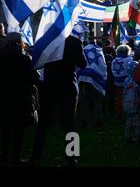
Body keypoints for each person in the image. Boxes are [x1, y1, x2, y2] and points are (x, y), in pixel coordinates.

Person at [31, 35, 87, 167]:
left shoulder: (46, 39)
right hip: (68, 85)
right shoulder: (74, 41)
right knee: (70, 122)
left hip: (50, 85)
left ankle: (35, 156)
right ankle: (71, 157)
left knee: (43, 123)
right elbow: (82, 63)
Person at [0, 33, 39, 166]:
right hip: (21, 98)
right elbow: (33, 78)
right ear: (20, 42)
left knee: (6, 128)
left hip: (4, 97)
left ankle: (4, 155)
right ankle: (15, 157)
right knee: (18, 130)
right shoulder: (25, 58)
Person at [78, 41, 107, 129]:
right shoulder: (99, 51)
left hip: (85, 77)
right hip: (97, 75)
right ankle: (97, 120)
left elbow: (80, 64)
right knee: (97, 99)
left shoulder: (84, 50)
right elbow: (103, 65)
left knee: (85, 99)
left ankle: (84, 121)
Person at [122, 60, 140, 144]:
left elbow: (124, 92)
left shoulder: (126, 80)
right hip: (136, 103)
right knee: (137, 121)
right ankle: (137, 137)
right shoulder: (138, 82)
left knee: (128, 120)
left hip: (127, 103)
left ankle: (127, 136)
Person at [111, 45, 134, 118]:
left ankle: (119, 112)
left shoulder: (114, 61)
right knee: (129, 97)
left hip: (117, 82)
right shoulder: (129, 59)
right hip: (128, 82)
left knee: (120, 98)